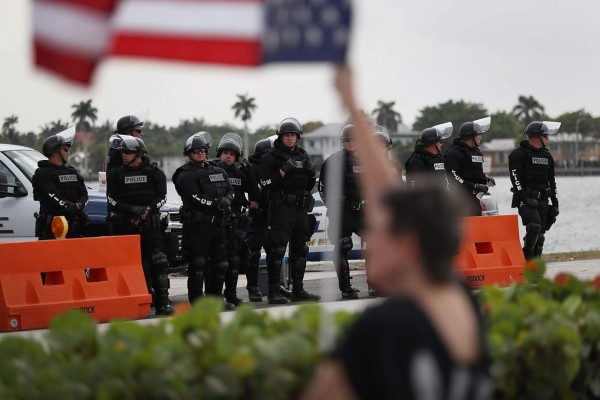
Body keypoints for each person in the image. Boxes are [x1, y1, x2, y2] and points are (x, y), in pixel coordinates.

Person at [304, 66, 492, 400]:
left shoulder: (383, 328)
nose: (370, 241)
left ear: (406, 244)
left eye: (377, 233)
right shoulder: (462, 301)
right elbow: (388, 197)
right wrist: (350, 102)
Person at [106, 136, 172, 315]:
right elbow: (111, 199)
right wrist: (131, 210)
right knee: (127, 265)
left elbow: (162, 197)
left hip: (151, 225)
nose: (124, 155)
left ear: (139, 154)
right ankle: (131, 303)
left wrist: (146, 211)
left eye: (127, 152)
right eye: (122, 152)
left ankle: (163, 303)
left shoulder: (155, 173)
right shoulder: (115, 174)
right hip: (126, 226)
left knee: (160, 262)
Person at [260, 118, 320, 303]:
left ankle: (298, 290)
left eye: (293, 135)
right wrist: (282, 171)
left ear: (297, 137)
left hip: (301, 208)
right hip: (281, 208)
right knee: (277, 250)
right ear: (280, 137)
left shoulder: (304, 156)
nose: (289, 139)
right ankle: (273, 292)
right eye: (286, 135)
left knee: (301, 249)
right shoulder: (271, 157)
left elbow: (309, 185)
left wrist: (311, 174)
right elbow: (265, 183)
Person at [173, 133, 234, 304]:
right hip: (198, 227)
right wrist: (216, 204)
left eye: (203, 150)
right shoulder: (185, 174)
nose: (200, 153)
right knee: (198, 264)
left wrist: (227, 200)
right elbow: (194, 196)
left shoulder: (219, 170)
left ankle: (215, 299)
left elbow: (230, 190)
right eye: (196, 151)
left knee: (220, 265)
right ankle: (197, 301)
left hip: (219, 226)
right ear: (188, 153)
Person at [215, 133, 260, 307]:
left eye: (232, 154)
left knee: (235, 262)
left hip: (235, 223)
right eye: (225, 152)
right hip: (217, 223)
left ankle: (232, 296)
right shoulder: (212, 171)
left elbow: (256, 196)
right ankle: (215, 298)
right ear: (219, 154)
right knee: (218, 263)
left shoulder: (241, 174)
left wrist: (249, 175)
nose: (228, 156)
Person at [318, 124, 362, 300]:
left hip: (363, 213)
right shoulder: (333, 161)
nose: (351, 143)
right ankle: (346, 288)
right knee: (343, 246)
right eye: (347, 140)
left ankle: (376, 284)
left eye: (354, 140)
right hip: (341, 214)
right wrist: (334, 203)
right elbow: (322, 188)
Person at [508, 121, 561, 260]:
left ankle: (535, 270)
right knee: (534, 227)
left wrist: (555, 203)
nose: (548, 139)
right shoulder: (518, 155)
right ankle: (526, 256)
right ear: (537, 137)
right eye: (546, 136)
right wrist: (525, 198)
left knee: (540, 236)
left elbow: (552, 181)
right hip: (525, 199)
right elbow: (515, 179)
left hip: (543, 200)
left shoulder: (547, 156)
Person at [32, 128, 89, 239]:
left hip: (73, 228)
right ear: (55, 151)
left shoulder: (72, 171)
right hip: (53, 229)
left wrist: (79, 205)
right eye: (65, 149)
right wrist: (71, 206)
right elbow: (53, 196)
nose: (68, 152)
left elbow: (84, 194)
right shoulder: (42, 173)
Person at [444, 117, 496, 216]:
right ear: (470, 136)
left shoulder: (476, 152)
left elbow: (477, 174)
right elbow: (453, 177)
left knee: (477, 229)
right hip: (459, 201)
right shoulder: (454, 153)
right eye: (478, 135)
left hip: (474, 199)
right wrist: (475, 186)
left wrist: (486, 180)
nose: (480, 137)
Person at [405, 122, 453, 188]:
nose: (441, 144)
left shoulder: (439, 158)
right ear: (433, 143)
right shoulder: (416, 161)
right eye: (440, 141)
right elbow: (415, 187)